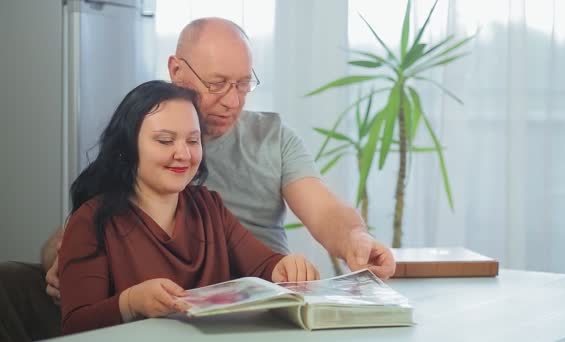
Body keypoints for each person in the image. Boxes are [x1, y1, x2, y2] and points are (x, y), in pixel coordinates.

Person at [0, 16, 395, 341]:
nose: (233, 100)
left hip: (254, 311)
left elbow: (323, 212)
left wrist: (350, 242)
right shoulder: (134, 140)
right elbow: (83, 231)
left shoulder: (225, 188)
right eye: (218, 83)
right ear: (176, 71)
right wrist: (68, 265)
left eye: (243, 84)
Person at [58, 80, 319, 335]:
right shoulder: (92, 221)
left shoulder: (210, 207)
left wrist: (286, 267)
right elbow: (75, 326)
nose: (183, 154)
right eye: (165, 141)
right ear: (127, 147)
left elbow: (264, 265)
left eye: (193, 141)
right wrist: (130, 302)